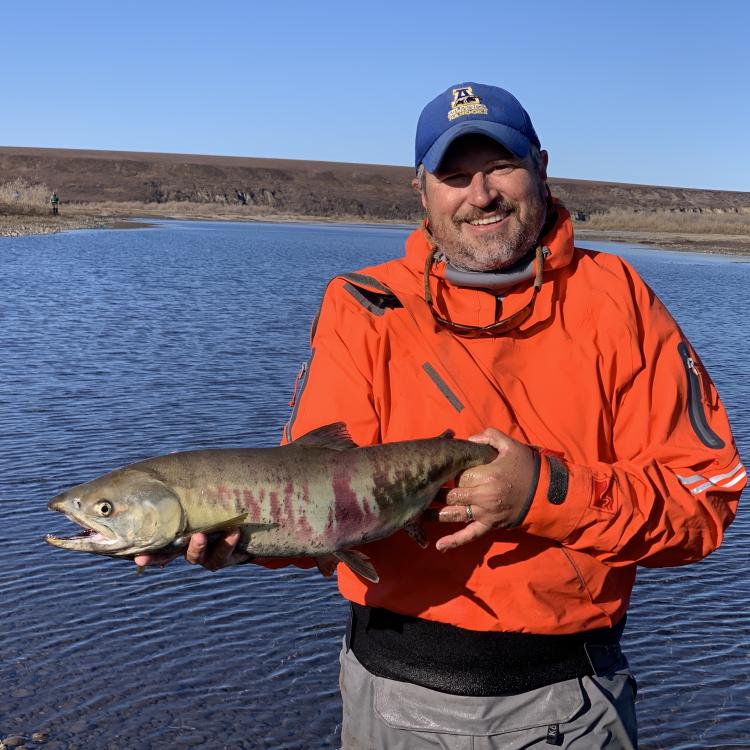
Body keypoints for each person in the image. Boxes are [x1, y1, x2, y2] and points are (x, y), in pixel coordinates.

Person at [137, 82, 745, 748]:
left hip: (568, 704)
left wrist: (545, 492)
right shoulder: (363, 305)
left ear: (541, 166)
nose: (479, 194)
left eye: (500, 166)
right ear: (421, 191)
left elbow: (702, 507)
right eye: (454, 175)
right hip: (388, 701)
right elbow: (319, 503)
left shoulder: (619, 302)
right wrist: (238, 537)